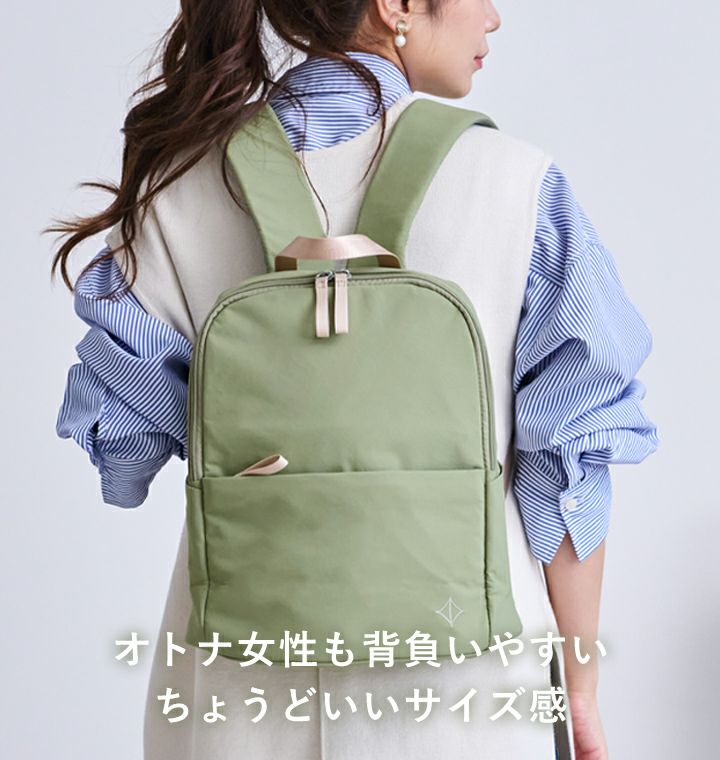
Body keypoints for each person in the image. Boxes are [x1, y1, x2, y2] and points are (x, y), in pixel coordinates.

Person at [49, 1, 659, 758]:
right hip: (462, 700)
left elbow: (126, 457)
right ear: (396, 4)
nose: (493, 16)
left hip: (234, 696)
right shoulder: (517, 184)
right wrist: (582, 688)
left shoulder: (179, 187)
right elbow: (569, 463)